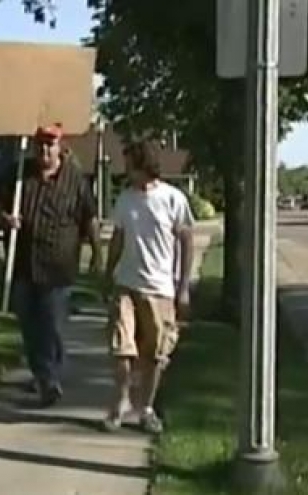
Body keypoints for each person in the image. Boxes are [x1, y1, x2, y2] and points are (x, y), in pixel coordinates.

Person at [0, 123, 103, 407]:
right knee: (30, 326)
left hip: (58, 267)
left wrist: (98, 253)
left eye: (50, 145)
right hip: (23, 265)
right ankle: (46, 373)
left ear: (60, 147)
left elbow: (89, 218)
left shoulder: (75, 180)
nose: (44, 150)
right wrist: (4, 217)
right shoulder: (17, 175)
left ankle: (48, 378)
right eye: (40, 144)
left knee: (51, 325)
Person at [102, 140, 194, 434]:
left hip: (160, 289)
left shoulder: (172, 199)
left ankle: (146, 408)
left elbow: (186, 241)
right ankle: (120, 403)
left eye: (129, 164)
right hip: (126, 285)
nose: (125, 170)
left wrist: (183, 287)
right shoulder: (125, 200)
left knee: (155, 355)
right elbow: (117, 238)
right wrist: (107, 272)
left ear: (142, 165)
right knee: (121, 349)